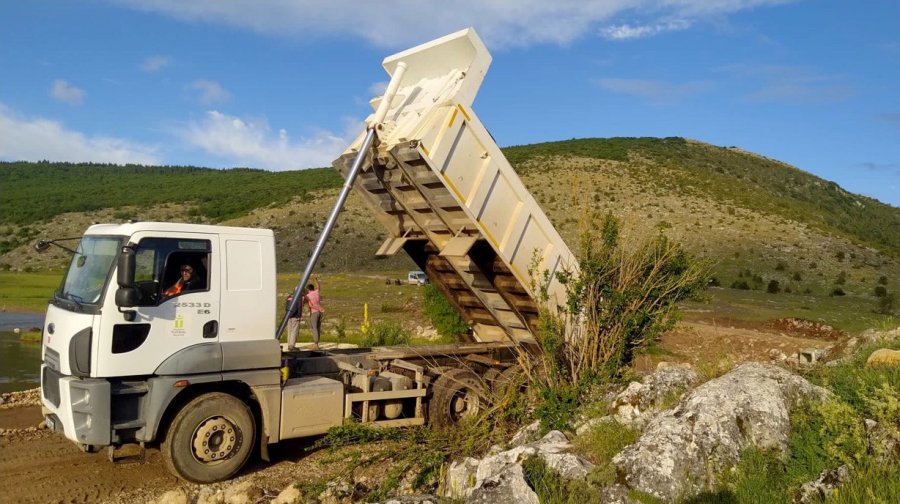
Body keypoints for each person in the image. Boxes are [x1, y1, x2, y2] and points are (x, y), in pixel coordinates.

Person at [304, 275, 324, 350]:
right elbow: (318, 286)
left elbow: (311, 305)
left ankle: (316, 345)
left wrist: (318, 308)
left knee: (314, 328)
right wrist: (316, 279)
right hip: (320, 313)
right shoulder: (317, 292)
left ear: (308, 289)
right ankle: (317, 343)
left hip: (314, 312)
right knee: (318, 327)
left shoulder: (308, 296)